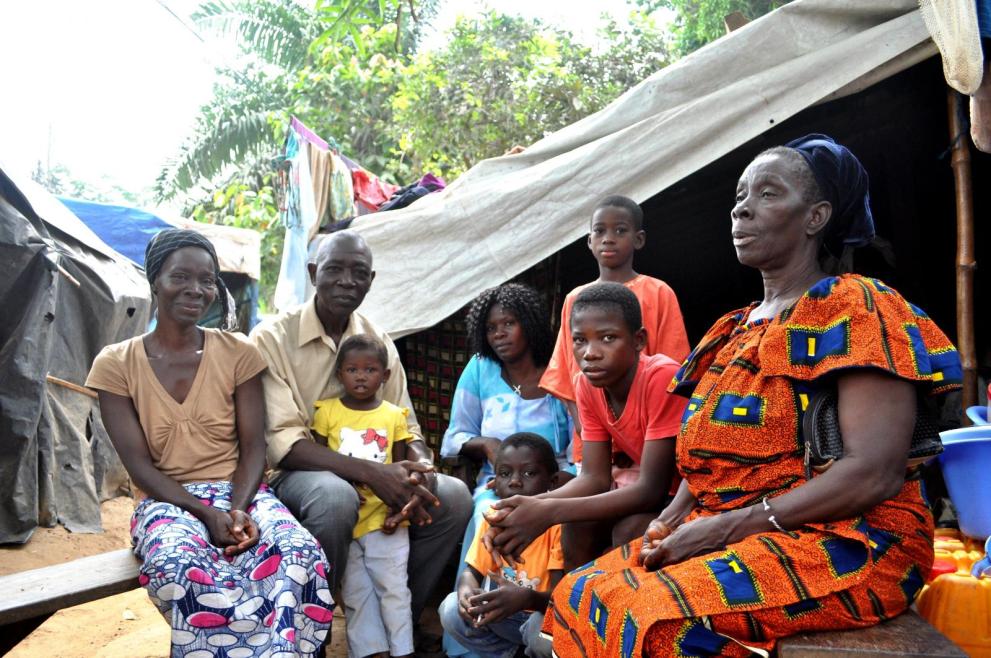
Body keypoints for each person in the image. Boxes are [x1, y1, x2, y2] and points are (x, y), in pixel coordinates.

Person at [544, 134, 964, 657]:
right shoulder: (733, 329)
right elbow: (708, 463)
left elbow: (873, 472)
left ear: (815, 217)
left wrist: (728, 528)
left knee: (643, 619)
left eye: (767, 194)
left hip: (846, 540)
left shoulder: (857, 306)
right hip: (731, 530)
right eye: (741, 195)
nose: (741, 208)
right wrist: (670, 520)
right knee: (577, 593)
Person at [86, 229, 332, 657]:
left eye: (206, 279)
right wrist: (204, 513)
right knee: (178, 566)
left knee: (299, 555)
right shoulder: (116, 363)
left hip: (242, 492)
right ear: (155, 280)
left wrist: (236, 509)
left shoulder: (237, 352)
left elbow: (254, 446)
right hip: (167, 500)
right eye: (180, 276)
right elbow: (139, 465)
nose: (196, 289)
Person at [250, 229, 473, 649]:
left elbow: (407, 427)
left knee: (455, 497)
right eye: (334, 269)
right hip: (300, 475)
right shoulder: (272, 338)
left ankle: (396, 623)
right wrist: (375, 473)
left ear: (371, 281)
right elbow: (287, 445)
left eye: (358, 273)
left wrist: (421, 468)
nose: (346, 281)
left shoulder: (377, 339)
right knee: (335, 498)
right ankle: (308, 629)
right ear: (314, 273)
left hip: (377, 473)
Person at [484, 283, 686, 570]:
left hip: (683, 496)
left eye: (607, 338)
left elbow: (651, 489)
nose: (590, 353)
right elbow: (594, 477)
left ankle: (620, 610)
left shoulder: (661, 377)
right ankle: (569, 606)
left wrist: (547, 510)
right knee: (577, 525)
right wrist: (523, 507)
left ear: (638, 340)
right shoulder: (587, 384)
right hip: (642, 491)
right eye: (579, 340)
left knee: (630, 531)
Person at [439, 284, 572, 656]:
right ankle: (470, 638)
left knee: (557, 525)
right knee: (485, 510)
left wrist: (555, 488)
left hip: (554, 486)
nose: (498, 334)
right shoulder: (481, 370)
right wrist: (485, 445)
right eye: (491, 327)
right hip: (495, 485)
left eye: (509, 323)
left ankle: (533, 624)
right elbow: (454, 437)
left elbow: (580, 447)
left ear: (528, 324)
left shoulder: (557, 372)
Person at [540, 195, 690, 465]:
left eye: (620, 230)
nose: (608, 238)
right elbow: (564, 373)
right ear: (589, 241)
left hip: (648, 438)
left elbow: (673, 373)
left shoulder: (658, 293)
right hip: (593, 438)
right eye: (600, 231)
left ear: (639, 239)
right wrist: (584, 427)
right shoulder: (575, 300)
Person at [311, 334, 415, 658]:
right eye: (352, 369)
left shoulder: (393, 416)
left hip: (385, 520)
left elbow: (398, 472)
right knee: (356, 594)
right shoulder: (326, 412)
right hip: (346, 520)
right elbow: (318, 462)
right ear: (339, 373)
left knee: (394, 589)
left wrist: (398, 511)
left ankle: (403, 650)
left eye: (370, 370)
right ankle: (369, 651)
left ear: (384, 376)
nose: (360, 376)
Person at [439, 433, 563, 658]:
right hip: (503, 617)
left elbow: (559, 598)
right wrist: (466, 593)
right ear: (495, 481)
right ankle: (511, 654)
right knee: (450, 609)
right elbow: (471, 571)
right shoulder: (494, 519)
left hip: (540, 612)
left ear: (552, 482)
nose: (515, 481)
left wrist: (527, 599)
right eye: (505, 474)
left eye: (529, 473)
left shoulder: (558, 526)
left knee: (542, 634)